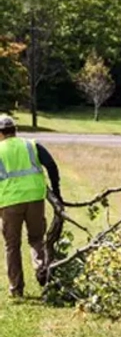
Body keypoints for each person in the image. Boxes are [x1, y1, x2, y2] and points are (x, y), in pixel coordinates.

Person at [0, 114, 62, 298]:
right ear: (15, 130)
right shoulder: (31, 145)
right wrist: (56, 192)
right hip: (35, 199)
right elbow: (51, 165)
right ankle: (41, 269)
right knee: (36, 239)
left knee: (12, 246)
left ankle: (16, 289)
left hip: (9, 203)